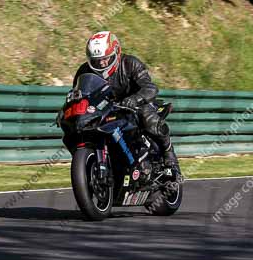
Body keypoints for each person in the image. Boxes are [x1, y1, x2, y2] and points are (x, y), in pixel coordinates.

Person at [71, 31, 181, 178]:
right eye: (97, 60)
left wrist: (135, 99)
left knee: (147, 116)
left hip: (136, 105)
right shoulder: (84, 71)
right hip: (105, 110)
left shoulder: (130, 63)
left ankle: (169, 153)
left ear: (116, 52)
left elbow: (150, 87)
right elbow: (78, 94)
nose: (101, 63)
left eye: (106, 59)